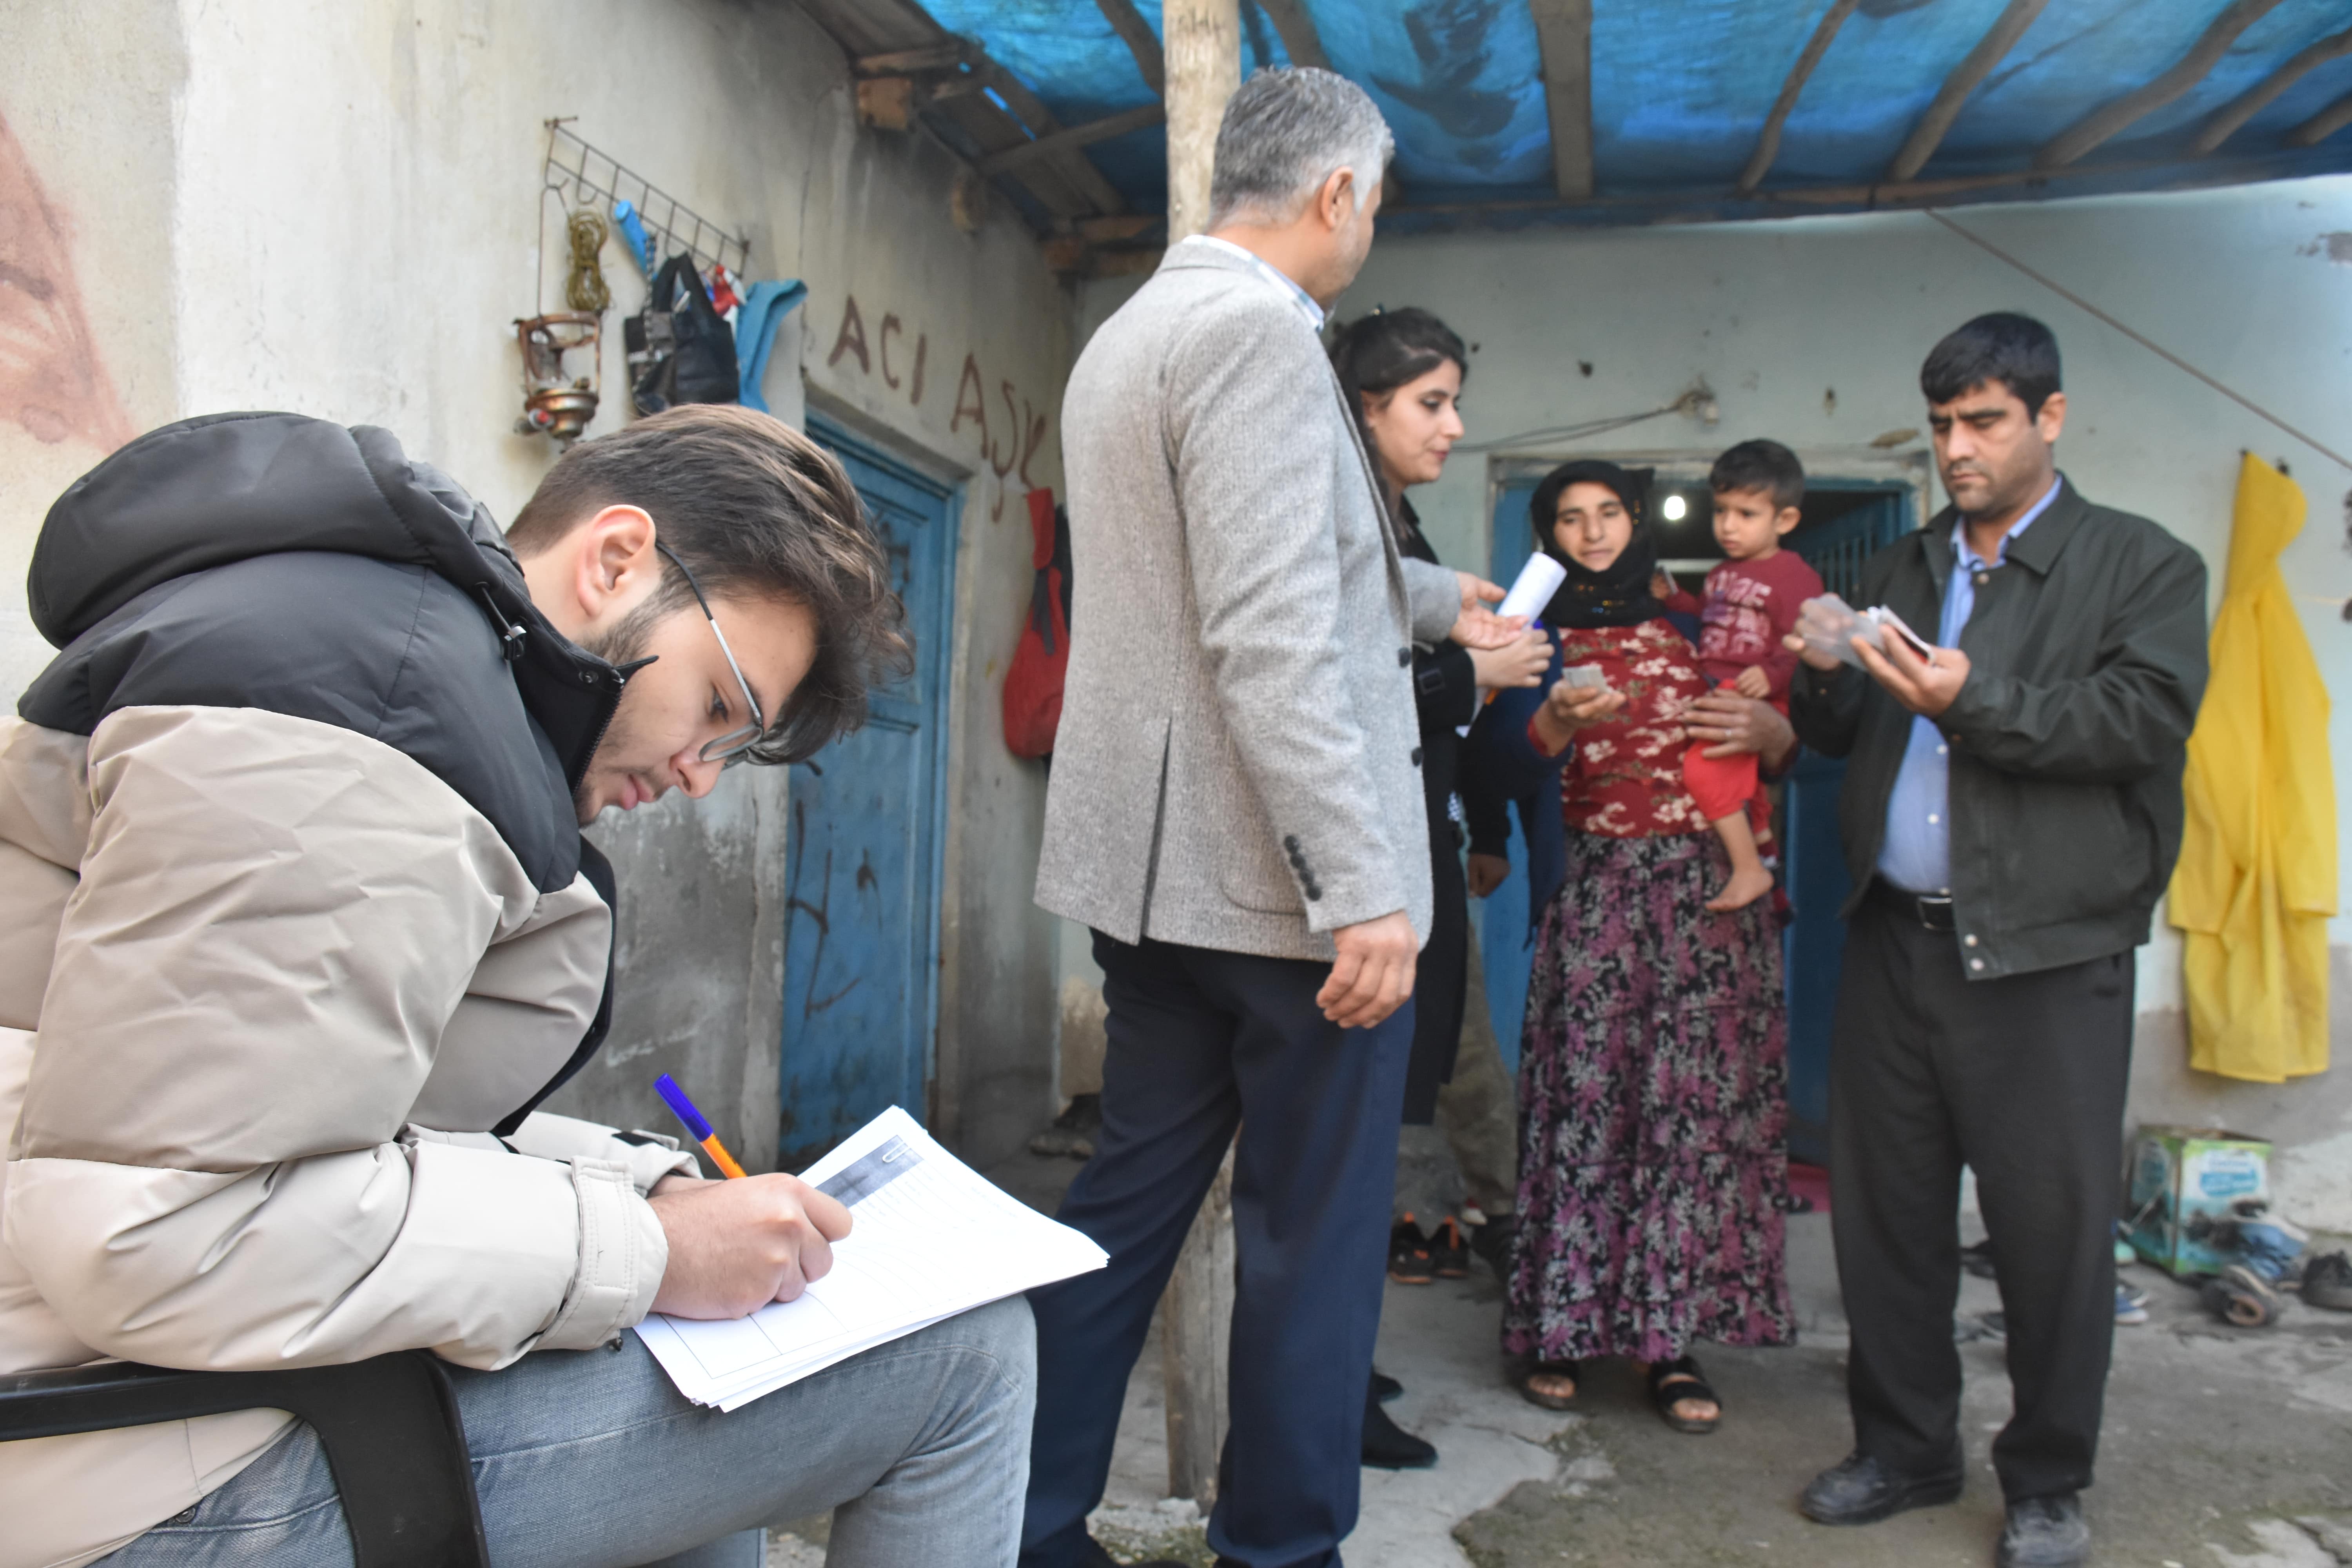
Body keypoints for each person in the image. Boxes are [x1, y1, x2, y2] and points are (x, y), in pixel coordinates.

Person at [0, 406, 1035, 1568]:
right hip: (124, 1468)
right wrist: (645, 1246)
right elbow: (170, 1230)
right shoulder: (376, 720)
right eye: (713, 706)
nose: (698, 777)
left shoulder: (363, 662)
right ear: (613, 559)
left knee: (727, 1369)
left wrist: (641, 1183)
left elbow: (326, 1113)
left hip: (131, 1396)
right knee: (967, 1352)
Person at [1023, 69, 1526, 1568]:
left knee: (1123, 1209)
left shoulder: (1136, 331)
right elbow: (1261, 631)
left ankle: (1019, 1515)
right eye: (1373, 200)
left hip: (1157, 879)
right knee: (1312, 1245)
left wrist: (1436, 596)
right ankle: (1281, 1546)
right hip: (1279, 890)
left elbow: (1224, 575)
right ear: (1337, 197)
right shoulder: (1254, 338)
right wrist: (1359, 880)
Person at [1786, 313, 2207, 1568]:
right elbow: (1836, 738)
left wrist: (1973, 699)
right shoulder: (1912, 561)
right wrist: (1820, 675)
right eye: (1939, 426)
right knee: (1885, 1218)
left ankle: (2044, 1478)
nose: (1955, 448)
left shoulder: (2139, 564)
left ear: (2050, 418)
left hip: (2042, 954)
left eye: (1982, 422)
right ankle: (1906, 1447)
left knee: (2050, 1230)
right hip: (1892, 943)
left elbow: (2134, 720)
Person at [1474, 459, 1796, 1436]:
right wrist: (1547, 726)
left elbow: (1772, 743)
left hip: (1704, 903)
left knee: (1683, 1122)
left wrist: (1775, 728)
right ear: (1549, 534)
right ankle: (1558, 1329)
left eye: (1609, 512)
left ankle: (1670, 1341)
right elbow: (1485, 762)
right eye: (1570, 518)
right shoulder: (1529, 635)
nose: (1595, 531)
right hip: (1598, 894)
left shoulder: (1698, 626)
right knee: (1584, 1107)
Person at [1328, 306, 1550, 1469]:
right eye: (1431, 402)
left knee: (1371, 1139)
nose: (1455, 425)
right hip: (1361, 880)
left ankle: (1338, 1372)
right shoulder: (1338, 515)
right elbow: (1333, 699)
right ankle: (1328, 1395)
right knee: (1343, 1158)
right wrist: (1469, 669)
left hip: (1414, 861)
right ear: (1365, 406)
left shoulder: (1389, 519)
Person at [1670, 439, 1824, 912]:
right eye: (1721, 511)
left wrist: (1772, 674)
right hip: (1718, 688)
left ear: (1786, 521)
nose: (1728, 525)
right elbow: (1707, 617)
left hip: (1753, 696)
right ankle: (1767, 863)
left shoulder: (1795, 576)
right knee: (1749, 794)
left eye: (1746, 513)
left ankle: (1748, 869)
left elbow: (1806, 644)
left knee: (1699, 769)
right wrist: (1675, 599)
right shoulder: (1719, 573)